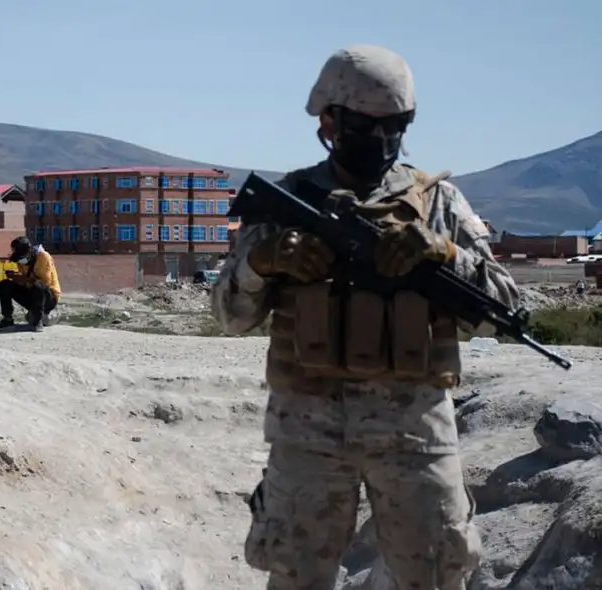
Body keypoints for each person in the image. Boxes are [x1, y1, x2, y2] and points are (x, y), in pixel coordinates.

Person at [213, 45, 522, 589]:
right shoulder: (289, 201)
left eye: (395, 126)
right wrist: (265, 261)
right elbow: (228, 316)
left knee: (433, 572)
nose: (380, 140)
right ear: (328, 119)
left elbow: (506, 311)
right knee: (295, 575)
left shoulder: (439, 204)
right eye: (363, 125)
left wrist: (446, 255)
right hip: (307, 430)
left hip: (414, 432)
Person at [0, 237, 61, 332]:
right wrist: (16, 277)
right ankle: (7, 319)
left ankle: (38, 321)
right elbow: (25, 280)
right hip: (31, 293)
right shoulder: (20, 260)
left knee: (38, 285)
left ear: (29, 251)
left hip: (48, 298)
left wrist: (22, 279)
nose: (20, 260)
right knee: (5, 284)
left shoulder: (43, 257)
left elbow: (44, 283)